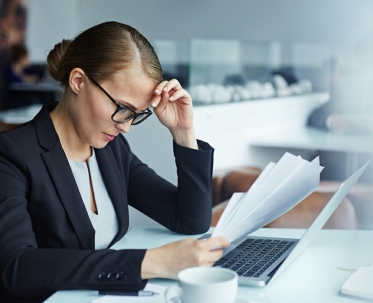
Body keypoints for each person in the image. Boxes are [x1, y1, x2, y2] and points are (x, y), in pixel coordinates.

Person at [0, 21, 229, 302]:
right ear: (78, 81)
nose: (126, 126)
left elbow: (189, 220)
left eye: (137, 114)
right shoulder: (11, 154)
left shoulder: (111, 150)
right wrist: (148, 262)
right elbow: (16, 267)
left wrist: (183, 133)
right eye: (122, 108)